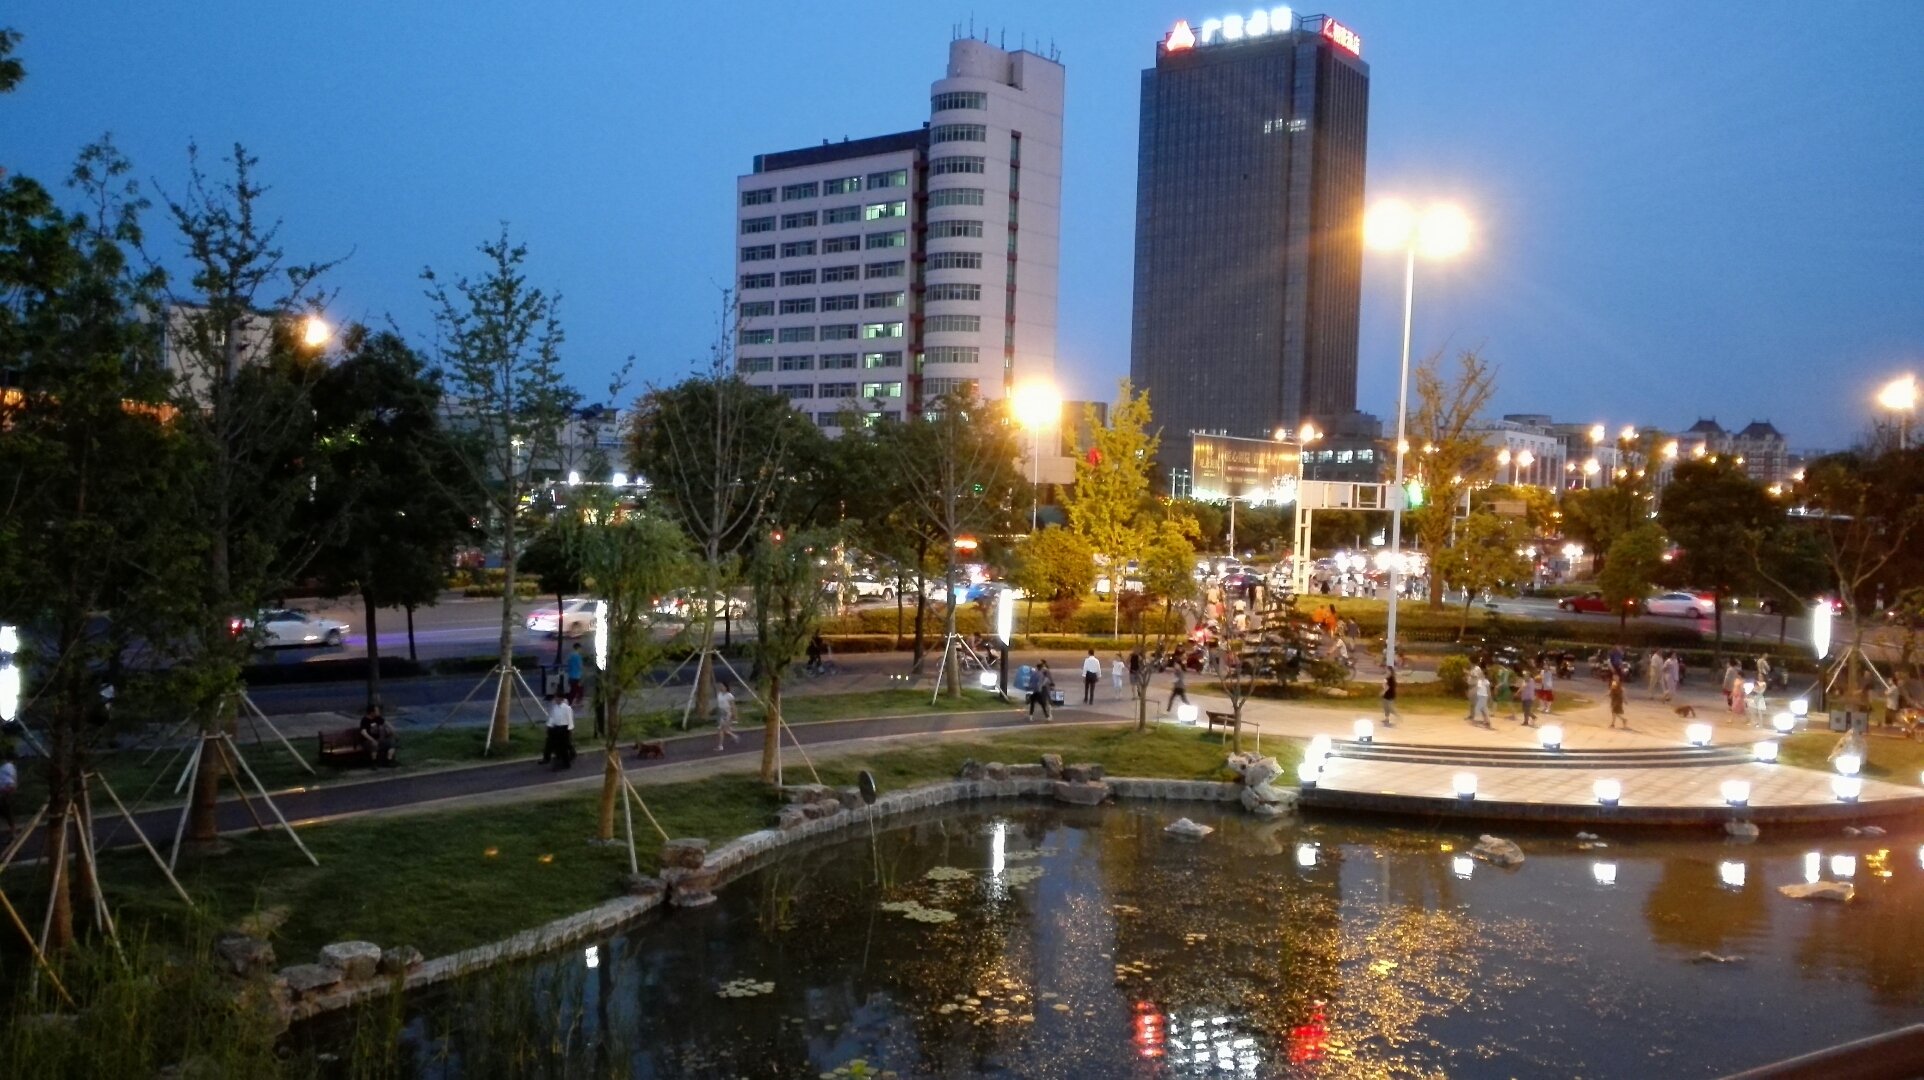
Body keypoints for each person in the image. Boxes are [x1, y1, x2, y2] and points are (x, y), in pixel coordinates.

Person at [541, 692, 576, 768]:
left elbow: (570, 719)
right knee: (550, 743)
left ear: (561, 699)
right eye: (555, 698)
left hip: (564, 728)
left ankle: (566, 763)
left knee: (563, 746)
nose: (556, 700)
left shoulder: (567, 708)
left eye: (557, 698)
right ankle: (547, 758)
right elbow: (552, 718)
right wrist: (549, 726)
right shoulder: (554, 708)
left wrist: (570, 729)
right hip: (555, 728)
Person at [714, 680, 740, 751]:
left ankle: (720, 746)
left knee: (721, 729)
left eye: (722, 686)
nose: (721, 687)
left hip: (727, 713)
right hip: (721, 713)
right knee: (724, 730)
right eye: (720, 686)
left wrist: (735, 715)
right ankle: (734, 736)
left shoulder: (729, 695)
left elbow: (733, 706)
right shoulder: (719, 694)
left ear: (726, 687)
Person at [0, 747, 17, 841]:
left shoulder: (5, 767)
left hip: (5, 791)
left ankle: (12, 832)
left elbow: (9, 781)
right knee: (8, 813)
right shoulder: (9, 767)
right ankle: (12, 832)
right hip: (7, 791)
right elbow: (11, 781)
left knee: (8, 813)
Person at [566, 643, 587, 707]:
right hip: (577, 676)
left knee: (574, 689)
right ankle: (573, 702)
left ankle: (573, 702)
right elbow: (580, 666)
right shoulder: (578, 656)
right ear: (578, 648)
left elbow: (568, 665)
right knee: (578, 689)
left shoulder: (570, 656)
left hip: (571, 675)